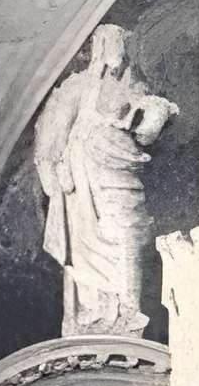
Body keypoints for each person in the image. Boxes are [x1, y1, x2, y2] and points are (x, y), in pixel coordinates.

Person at [34, 23, 178, 335]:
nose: (117, 58)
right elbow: (51, 135)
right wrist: (53, 173)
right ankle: (94, 317)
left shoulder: (137, 90)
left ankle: (127, 316)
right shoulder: (77, 88)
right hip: (86, 184)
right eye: (108, 46)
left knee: (127, 238)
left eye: (121, 48)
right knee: (86, 250)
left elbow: (147, 135)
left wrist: (154, 116)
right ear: (96, 51)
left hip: (122, 179)